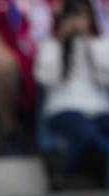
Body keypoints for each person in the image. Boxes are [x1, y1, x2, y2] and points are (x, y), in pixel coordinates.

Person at [35, 0, 109, 186]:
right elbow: (45, 79)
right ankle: (65, 173)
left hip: (99, 107)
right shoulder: (50, 44)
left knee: (98, 140)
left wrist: (90, 42)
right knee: (89, 137)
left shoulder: (101, 43)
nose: (76, 21)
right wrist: (61, 41)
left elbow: (105, 78)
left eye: (81, 15)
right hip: (64, 107)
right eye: (71, 16)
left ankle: (74, 175)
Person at [0, 0, 59, 150]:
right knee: (3, 67)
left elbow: (61, 14)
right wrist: (0, 50)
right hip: (5, 46)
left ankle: (51, 138)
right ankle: (9, 129)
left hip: (44, 46)